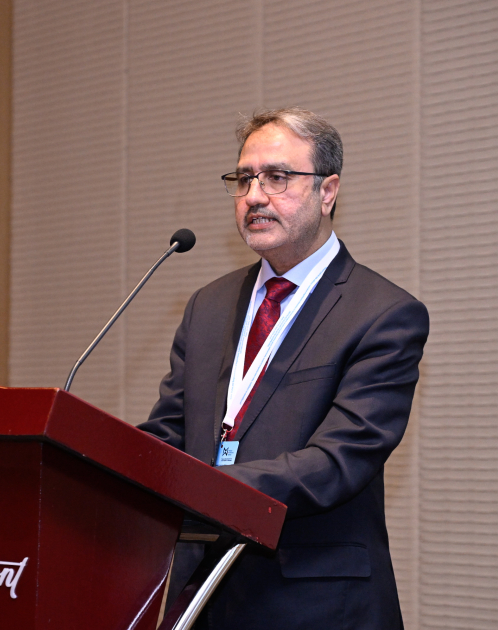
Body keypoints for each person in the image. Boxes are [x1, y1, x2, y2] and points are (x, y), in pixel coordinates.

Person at [138, 107, 428, 629]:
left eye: (276, 177)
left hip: (316, 604)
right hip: (201, 600)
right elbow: (168, 434)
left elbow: (340, 460)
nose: (254, 195)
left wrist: (206, 486)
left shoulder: (383, 314)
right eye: (244, 179)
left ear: (327, 191)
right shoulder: (208, 305)